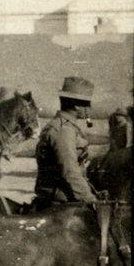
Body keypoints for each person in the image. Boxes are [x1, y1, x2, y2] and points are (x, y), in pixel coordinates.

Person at [33, 76, 98, 210]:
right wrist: (90, 199)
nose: (89, 108)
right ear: (76, 105)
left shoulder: (66, 126)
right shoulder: (63, 130)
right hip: (60, 202)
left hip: (65, 196)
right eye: (87, 104)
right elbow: (69, 170)